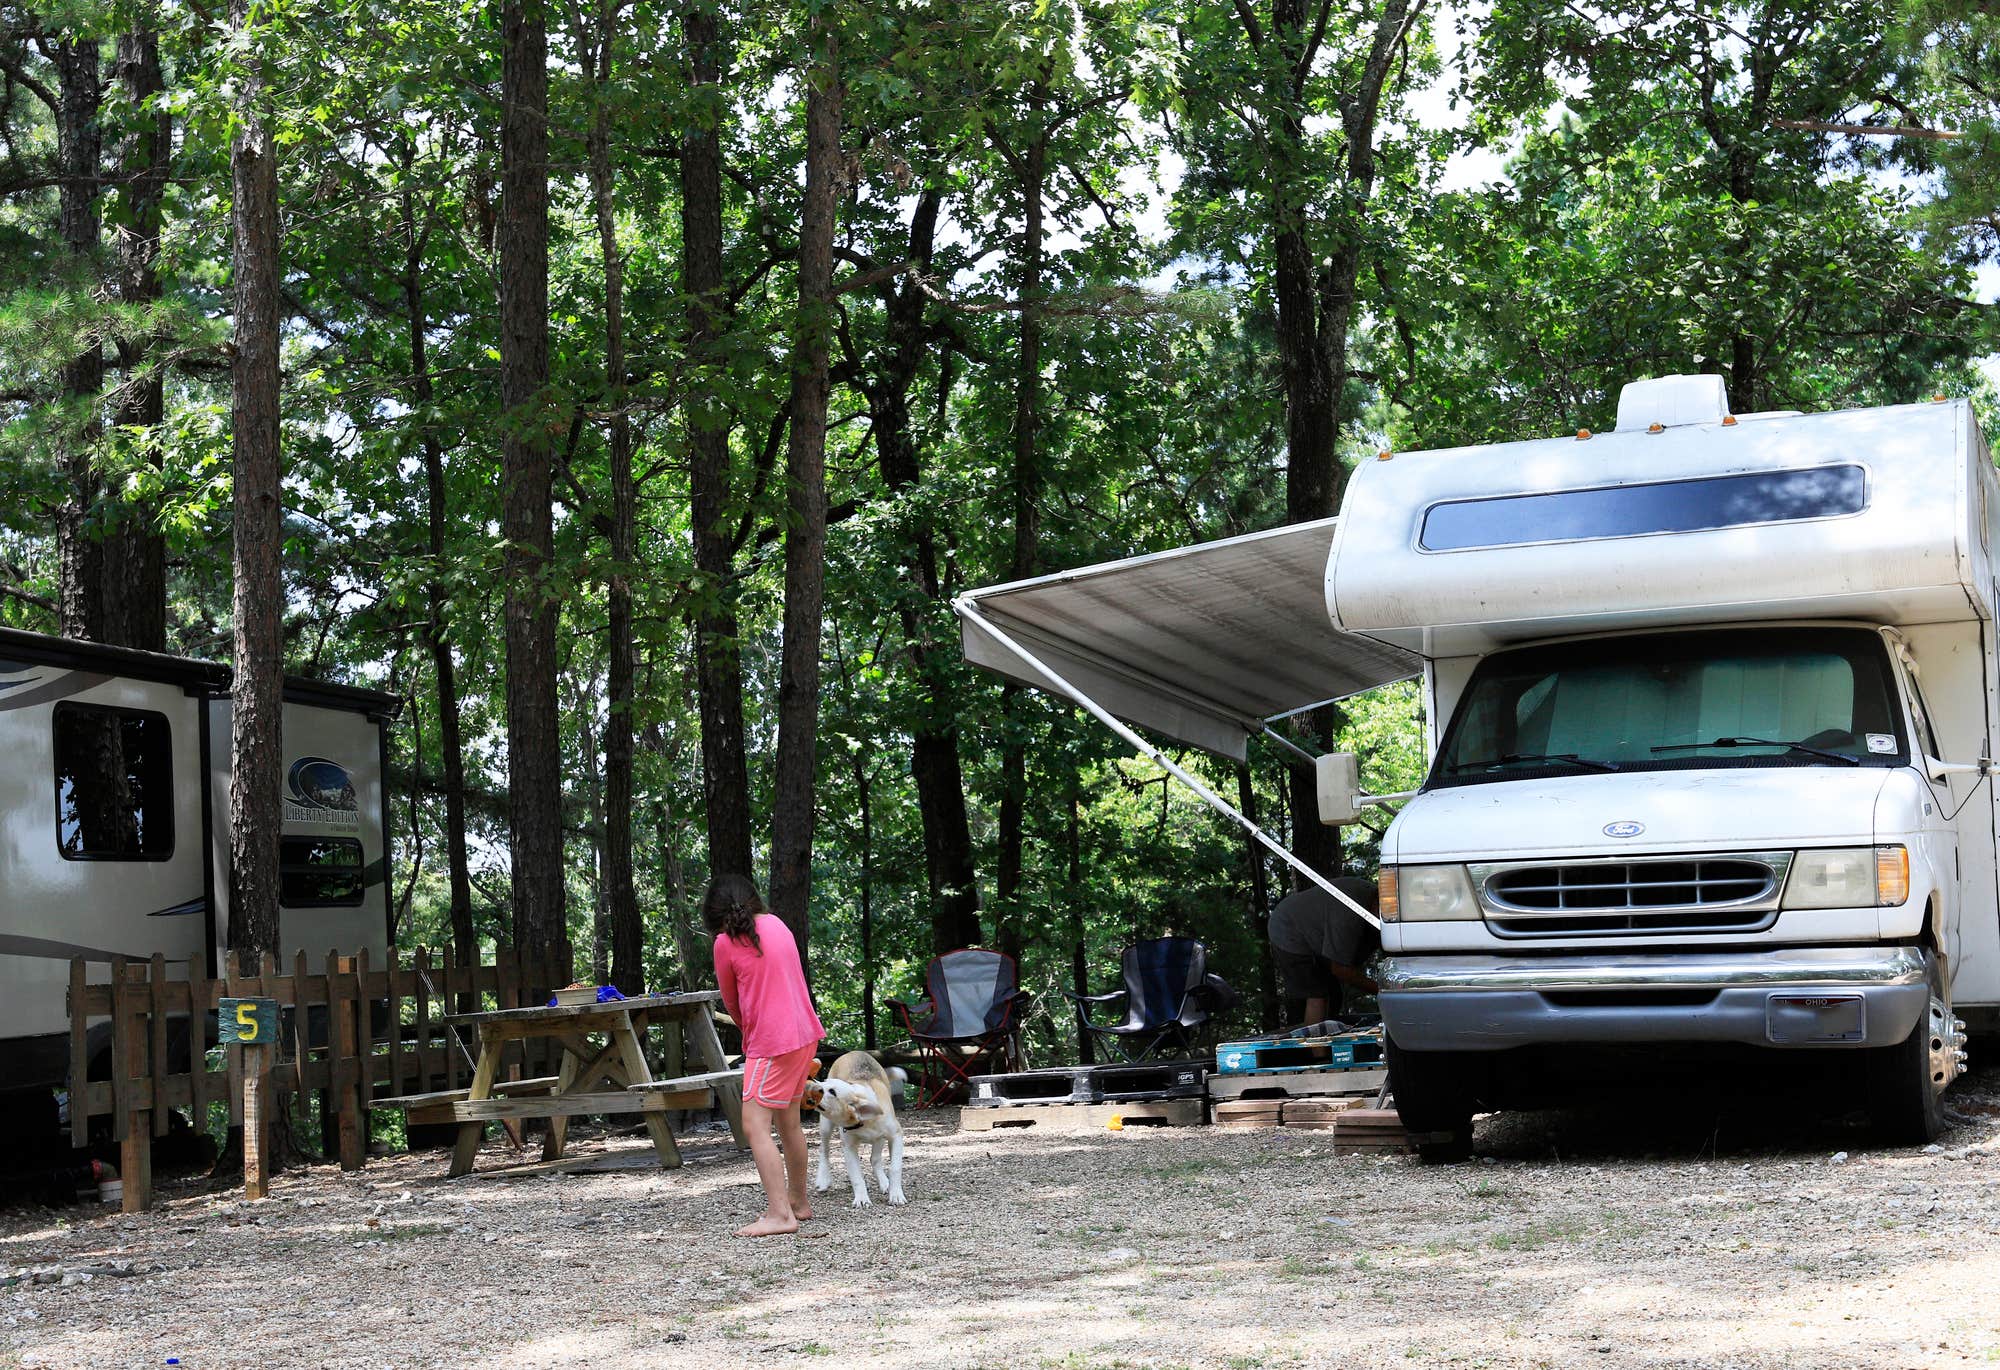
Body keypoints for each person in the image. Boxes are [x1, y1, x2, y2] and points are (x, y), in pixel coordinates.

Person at [706, 874, 825, 1237]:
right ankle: (798, 1203)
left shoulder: (725, 943)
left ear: (714, 915)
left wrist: (750, 1030)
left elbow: (731, 1000)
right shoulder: (777, 924)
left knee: (754, 1124)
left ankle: (780, 1215)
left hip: (772, 1043)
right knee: (788, 1120)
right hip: (804, 1034)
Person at [1267, 874, 1382, 1029]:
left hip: (1317, 937)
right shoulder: (1350, 911)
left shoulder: (1374, 902)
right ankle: (1317, 1051)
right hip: (1288, 930)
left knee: (1334, 995)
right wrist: (1381, 991)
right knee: (1317, 994)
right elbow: (1341, 970)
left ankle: (1328, 1040)